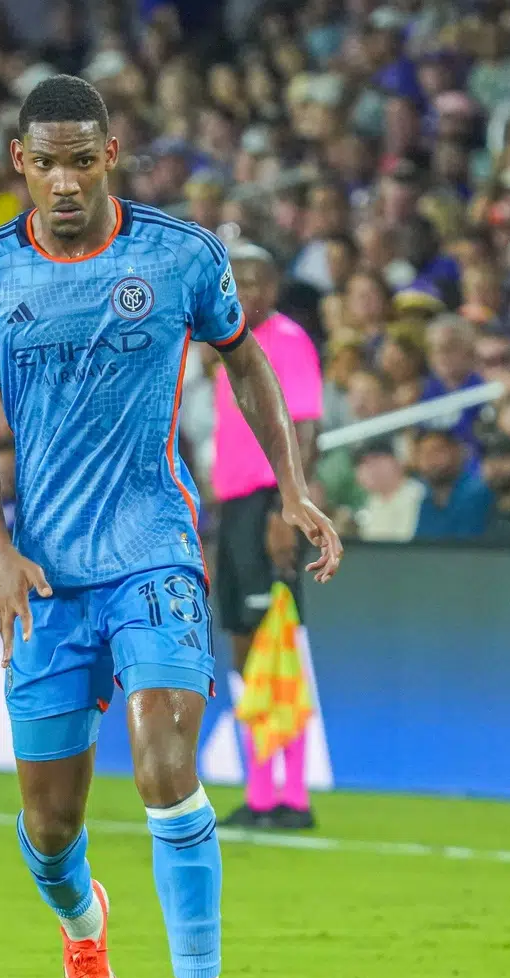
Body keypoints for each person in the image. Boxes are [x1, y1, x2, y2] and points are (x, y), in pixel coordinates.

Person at [0, 75, 341, 978]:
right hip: (44, 576)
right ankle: (86, 930)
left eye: (84, 160)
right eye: (48, 164)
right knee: (50, 830)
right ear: (20, 168)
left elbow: (243, 358)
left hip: (154, 551)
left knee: (167, 763)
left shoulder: (180, 257)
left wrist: (291, 484)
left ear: (111, 154)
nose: (67, 182)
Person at [207, 242, 325, 831]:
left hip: (268, 505)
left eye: (256, 281)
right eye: (237, 280)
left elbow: (305, 428)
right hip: (232, 510)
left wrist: (289, 505)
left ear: (274, 289)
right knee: (242, 647)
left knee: (275, 644)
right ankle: (259, 792)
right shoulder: (225, 350)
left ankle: (294, 796)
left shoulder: (287, 340)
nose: (246, 291)